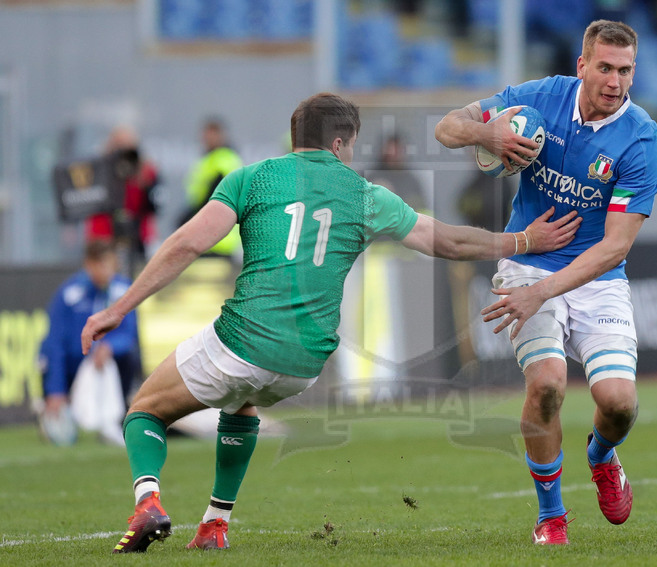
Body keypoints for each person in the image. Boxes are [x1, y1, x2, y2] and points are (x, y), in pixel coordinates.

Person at [80, 92, 582, 554]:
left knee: (144, 409)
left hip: (244, 339)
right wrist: (523, 241)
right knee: (243, 402)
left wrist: (117, 308)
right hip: (306, 362)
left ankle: (148, 502)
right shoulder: (364, 195)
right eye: (351, 146)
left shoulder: (251, 178)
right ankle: (215, 525)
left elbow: (187, 244)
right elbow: (448, 242)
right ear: (340, 143)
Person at [435, 20, 657, 545]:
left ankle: (602, 455)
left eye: (625, 70)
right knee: (546, 387)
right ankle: (551, 515)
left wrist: (545, 291)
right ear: (582, 65)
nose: (615, 81)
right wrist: (485, 132)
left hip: (595, 277)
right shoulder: (539, 99)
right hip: (527, 264)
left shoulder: (642, 140)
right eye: (604, 68)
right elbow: (446, 127)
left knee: (619, 402)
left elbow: (615, 246)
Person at [39, 239, 141, 438]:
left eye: (111, 264)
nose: (107, 271)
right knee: (62, 436)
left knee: (128, 357)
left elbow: (129, 335)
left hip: (106, 364)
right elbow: (56, 344)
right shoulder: (69, 294)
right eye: (102, 264)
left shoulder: (124, 291)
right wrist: (56, 390)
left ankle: (118, 417)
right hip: (74, 364)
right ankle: (54, 407)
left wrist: (109, 346)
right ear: (89, 264)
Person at [85, 127, 160, 277]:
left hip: (138, 238)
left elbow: (153, 206)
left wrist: (142, 180)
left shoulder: (145, 170)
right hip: (105, 235)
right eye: (119, 147)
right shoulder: (99, 168)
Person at [182, 117, 244, 259]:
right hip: (207, 236)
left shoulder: (224, 159)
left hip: (217, 236)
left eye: (212, 135)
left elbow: (214, 199)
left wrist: (188, 219)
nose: (207, 139)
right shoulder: (207, 159)